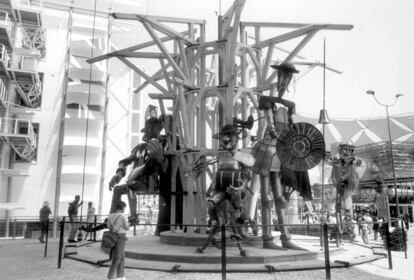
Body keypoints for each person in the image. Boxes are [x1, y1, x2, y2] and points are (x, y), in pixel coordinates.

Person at [107, 200, 129, 280]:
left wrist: (115, 228)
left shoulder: (110, 215)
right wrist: (128, 224)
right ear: (122, 207)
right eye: (124, 208)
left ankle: (120, 276)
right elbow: (126, 228)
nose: (124, 209)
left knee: (122, 257)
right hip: (121, 237)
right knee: (117, 258)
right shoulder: (122, 216)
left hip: (113, 237)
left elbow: (108, 227)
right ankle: (111, 277)